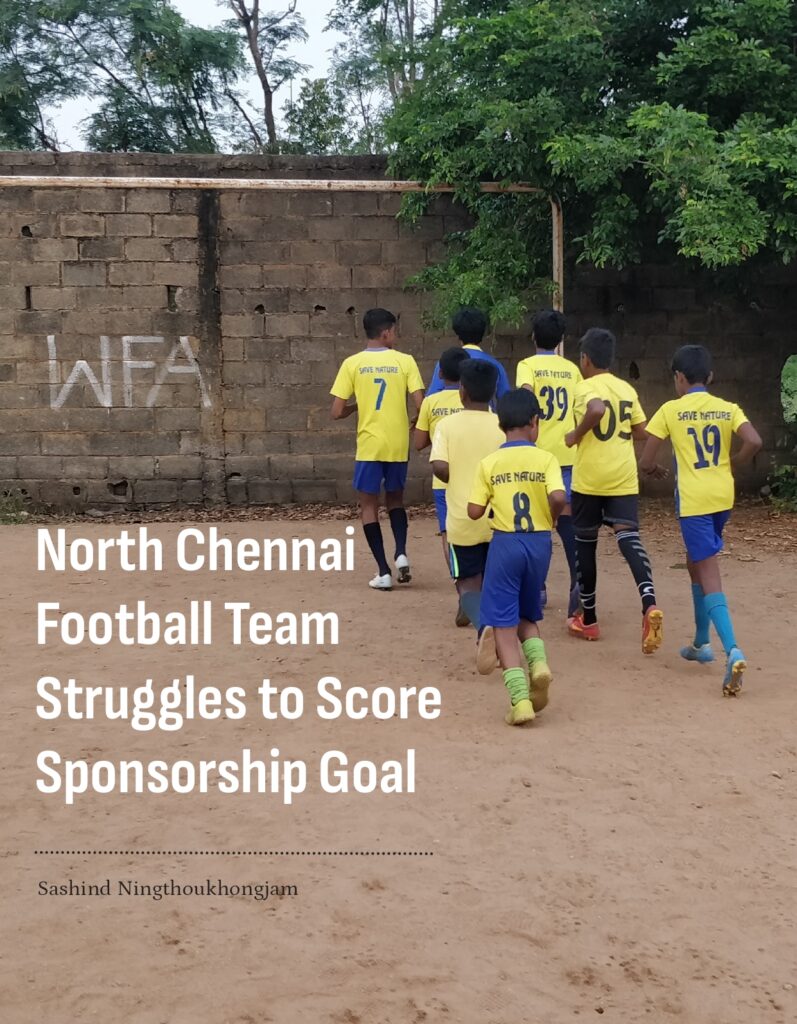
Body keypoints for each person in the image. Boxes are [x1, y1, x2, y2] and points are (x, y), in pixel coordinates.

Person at [639, 344, 762, 695]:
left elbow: (645, 461)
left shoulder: (670, 410)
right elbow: (754, 441)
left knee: (707, 571)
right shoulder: (727, 408)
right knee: (695, 562)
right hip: (722, 496)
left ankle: (732, 650)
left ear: (678, 377)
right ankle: (700, 642)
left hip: (693, 502)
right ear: (709, 377)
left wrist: (654, 469)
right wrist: (733, 462)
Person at [468, 389, 566, 725]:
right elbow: (558, 496)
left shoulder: (489, 463)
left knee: (503, 626)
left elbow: (474, 510)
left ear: (500, 424)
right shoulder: (546, 459)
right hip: (539, 543)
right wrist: (552, 516)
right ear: (535, 422)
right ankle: (539, 664)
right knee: (528, 612)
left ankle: (520, 701)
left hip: (505, 543)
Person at [565, 327, 663, 654]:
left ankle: (589, 620)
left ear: (585, 359)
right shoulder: (626, 389)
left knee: (585, 544)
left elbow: (596, 410)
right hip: (622, 476)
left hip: (590, 478)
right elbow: (642, 431)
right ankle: (649, 603)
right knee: (628, 537)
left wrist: (576, 435)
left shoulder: (584, 387)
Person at [330, 308, 424, 591]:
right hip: (397, 443)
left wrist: (356, 406)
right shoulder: (405, 361)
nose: (395, 335)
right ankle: (401, 552)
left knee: (368, 505)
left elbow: (336, 411)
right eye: (394, 331)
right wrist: (416, 421)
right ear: (386, 332)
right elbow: (422, 404)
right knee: (396, 500)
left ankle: (383, 570)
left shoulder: (352, 363)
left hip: (370, 445)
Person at [430, 359, 504, 647]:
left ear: (462, 391)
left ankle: (483, 628)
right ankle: (497, 628)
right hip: (499, 518)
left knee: (467, 582)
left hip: (463, 518)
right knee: (494, 579)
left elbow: (439, 466)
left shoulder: (447, 426)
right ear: (494, 391)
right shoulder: (503, 425)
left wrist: (457, 473)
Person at [516, 308, 582, 621]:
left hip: (538, 453)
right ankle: (577, 582)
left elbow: (527, 401)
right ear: (561, 340)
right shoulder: (572, 369)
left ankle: (538, 588)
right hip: (568, 454)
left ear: (533, 336)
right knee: (567, 522)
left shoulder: (527, 365)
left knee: (538, 522)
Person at [415, 347, 471, 621]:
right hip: (474, 479)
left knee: (448, 533)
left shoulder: (431, 402)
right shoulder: (477, 403)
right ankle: (481, 585)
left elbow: (418, 443)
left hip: (443, 480)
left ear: (439, 373)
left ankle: (462, 589)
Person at [426, 307, 510, 399]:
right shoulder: (495, 365)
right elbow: (505, 399)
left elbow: (432, 396)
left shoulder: (446, 362)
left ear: (458, 334)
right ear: (483, 333)